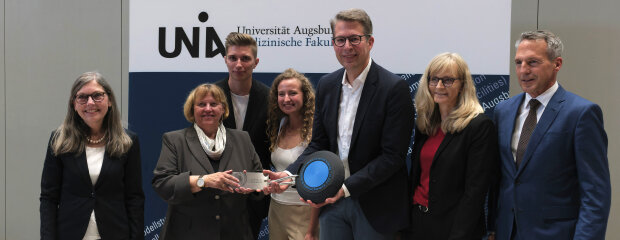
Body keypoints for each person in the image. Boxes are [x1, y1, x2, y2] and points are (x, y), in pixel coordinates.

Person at [264, 8, 415, 239]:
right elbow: (319, 145)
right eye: (340, 40)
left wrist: (345, 189)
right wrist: (289, 174)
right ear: (333, 43)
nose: (347, 47)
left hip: (375, 206)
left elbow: (392, 157)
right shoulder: (327, 84)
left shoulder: (394, 89)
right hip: (330, 205)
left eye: (355, 38)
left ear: (370, 41)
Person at [491, 30, 611, 240]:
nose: (523, 70)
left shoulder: (581, 113)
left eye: (533, 62)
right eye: (518, 63)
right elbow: (498, 179)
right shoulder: (503, 110)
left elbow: (595, 194)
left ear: (557, 64)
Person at [403, 53, 498, 239]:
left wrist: (458, 235)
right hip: (418, 223)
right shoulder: (425, 124)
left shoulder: (479, 126)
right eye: (434, 79)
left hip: (455, 227)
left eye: (448, 80)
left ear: (462, 85)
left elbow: (475, 192)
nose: (438, 86)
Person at [40, 71, 144, 240]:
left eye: (97, 96)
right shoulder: (59, 140)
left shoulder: (128, 141)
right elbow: (49, 198)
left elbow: (134, 198)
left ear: (109, 100)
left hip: (115, 233)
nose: (90, 103)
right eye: (82, 97)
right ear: (74, 104)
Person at [152, 83, 262, 240]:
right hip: (187, 234)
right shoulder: (175, 140)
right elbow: (163, 183)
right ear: (192, 109)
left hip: (235, 232)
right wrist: (203, 181)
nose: (208, 109)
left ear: (223, 109)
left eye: (214, 104)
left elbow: (257, 180)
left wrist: (254, 186)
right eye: (201, 104)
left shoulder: (242, 138)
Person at [214, 32, 271, 238]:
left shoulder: (270, 99)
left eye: (245, 58)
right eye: (233, 58)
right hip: (216, 192)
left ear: (255, 63)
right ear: (226, 60)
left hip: (254, 197)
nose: (239, 64)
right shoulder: (210, 98)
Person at [266, 68, 319, 240]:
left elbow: (321, 181)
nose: (286, 99)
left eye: (292, 93)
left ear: (305, 96)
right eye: (281, 94)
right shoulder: (280, 124)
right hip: (276, 208)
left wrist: (312, 230)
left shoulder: (316, 131)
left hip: (304, 211)